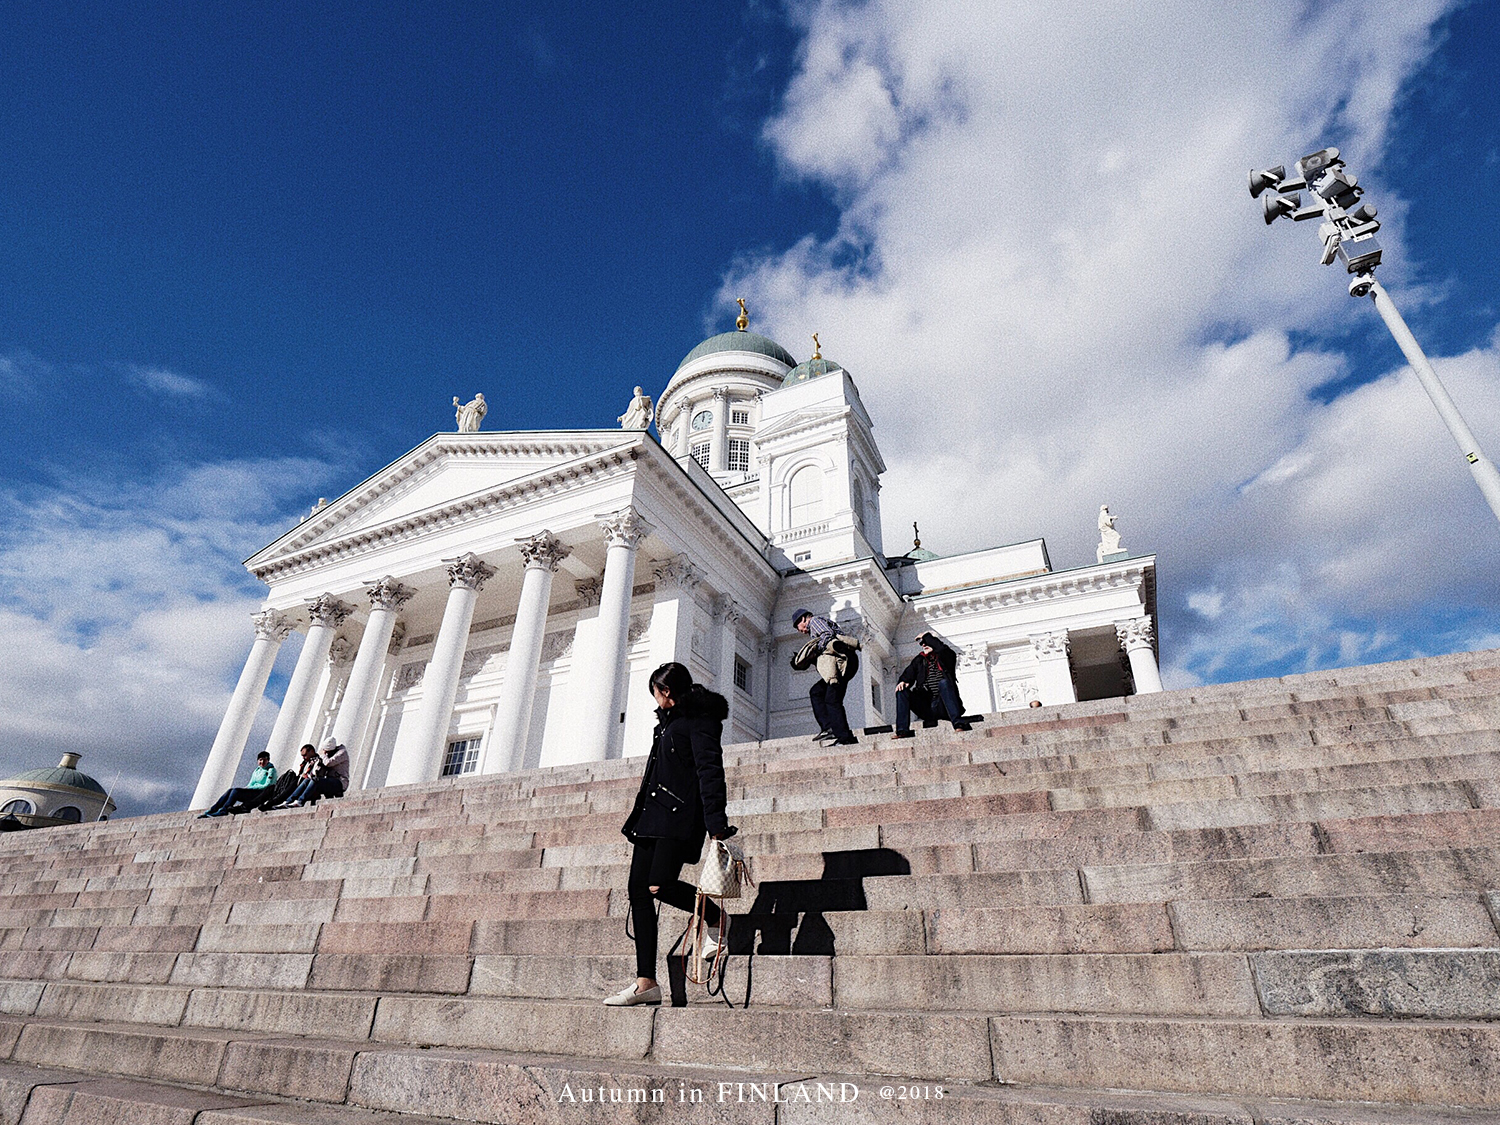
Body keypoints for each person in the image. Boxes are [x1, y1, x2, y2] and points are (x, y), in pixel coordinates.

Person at [605, 662, 736, 1006]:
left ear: (666, 692)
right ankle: (646, 981)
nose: (655, 699)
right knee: (638, 891)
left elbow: (710, 770)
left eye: (656, 692)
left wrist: (716, 822)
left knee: (659, 884)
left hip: (679, 819)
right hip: (650, 818)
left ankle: (715, 917)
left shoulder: (699, 721)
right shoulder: (665, 725)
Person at [791, 609, 859, 746]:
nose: (799, 631)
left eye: (797, 626)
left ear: (803, 619)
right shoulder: (814, 629)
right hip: (842, 663)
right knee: (817, 691)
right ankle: (829, 727)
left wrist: (813, 651)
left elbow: (827, 636)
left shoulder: (815, 622)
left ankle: (844, 737)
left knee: (832, 700)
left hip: (842, 661)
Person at [893, 632, 970, 739]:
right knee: (901, 691)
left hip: (944, 706)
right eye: (922, 643)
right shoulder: (919, 660)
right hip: (927, 706)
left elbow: (942, 649)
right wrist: (903, 681)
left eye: (926, 642)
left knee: (944, 683)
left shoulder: (947, 657)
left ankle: (958, 723)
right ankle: (902, 731)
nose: (924, 645)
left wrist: (927, 636)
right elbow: (907, 675)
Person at [273, 736, 349, 808]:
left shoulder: (342, 753)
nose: (325, 752)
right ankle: (289, 800)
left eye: (326, 751)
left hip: (340, 782)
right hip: (329, 781)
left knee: (316, 780)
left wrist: (322, 755)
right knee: (307, 780)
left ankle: (300, 801)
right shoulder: (328, 754)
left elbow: (328, 763)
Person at [198, 751, 277, 817]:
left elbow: (268, 785)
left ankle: (224, 810)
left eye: (264, 760)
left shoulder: (271, 770)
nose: (262, 762)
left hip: (260, 793)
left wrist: (252, 788)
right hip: (252, 791)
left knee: (235, 791)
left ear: (268, 760)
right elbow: (251, 783)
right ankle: (213, 810)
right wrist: (246, 788)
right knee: (231, 790)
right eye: (260, 760)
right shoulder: (257, 770)